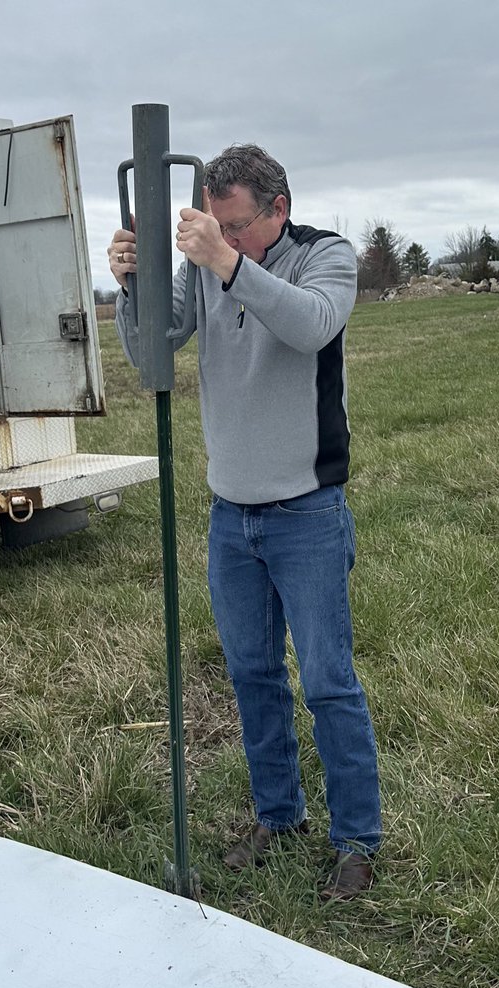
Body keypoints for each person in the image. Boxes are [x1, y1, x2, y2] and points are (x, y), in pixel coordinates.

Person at [109, 144, 380, 901]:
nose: (219, 236)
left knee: (328, 682)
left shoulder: (325, 257)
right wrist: (130, 285)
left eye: (234, 224)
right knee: (253, 676)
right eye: (213, 224)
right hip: (231, 515)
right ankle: (278, 815)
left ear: (277, 211)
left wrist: (226, 262)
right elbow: (150, 354)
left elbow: (312, 327)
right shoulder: (210, 261)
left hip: (308, 512)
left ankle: (357, 839)